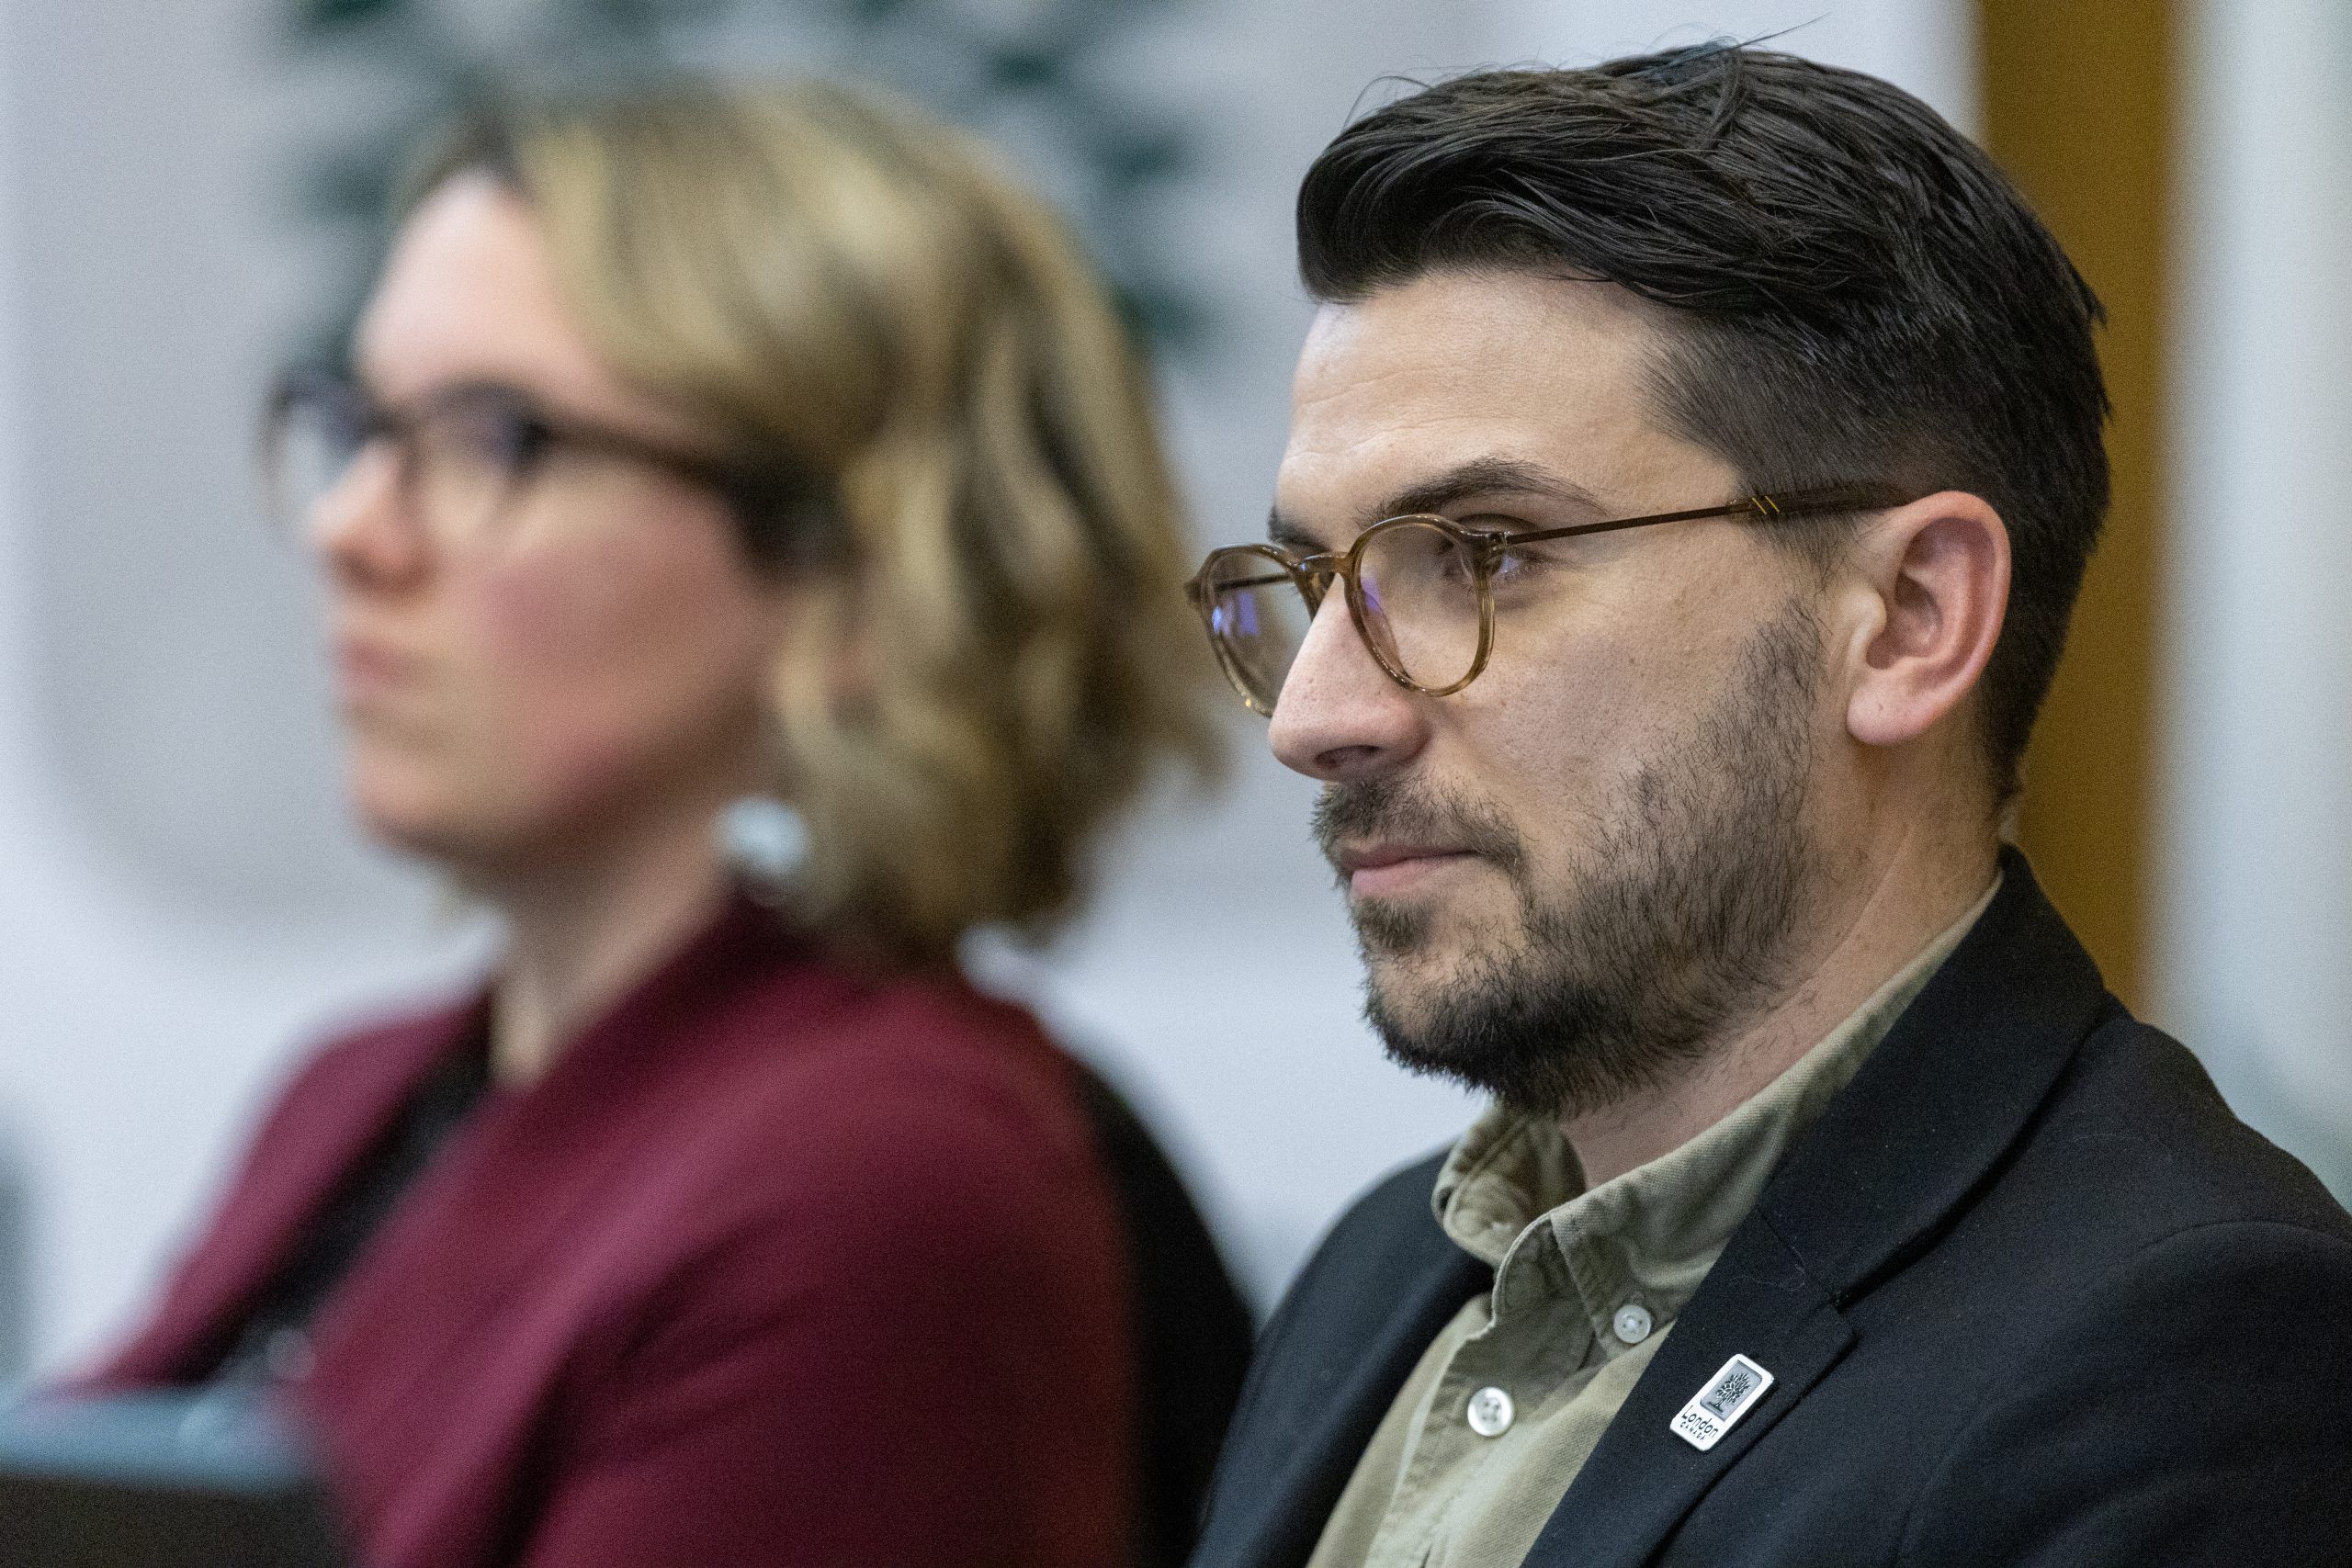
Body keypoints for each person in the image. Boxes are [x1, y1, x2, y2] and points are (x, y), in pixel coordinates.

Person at [1183, 45, 2352, 1568]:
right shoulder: (1383, 1271)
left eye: (1482, 555)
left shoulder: (2189, 1358)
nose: (1319, 718)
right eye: (1313, 580)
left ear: (1910, 617)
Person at [81, 78, 1251, 1568]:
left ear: (850, 569)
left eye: (494, 440)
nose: (350, 528)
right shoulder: (353, 1093)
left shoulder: (886, 1185)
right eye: (358, 426)